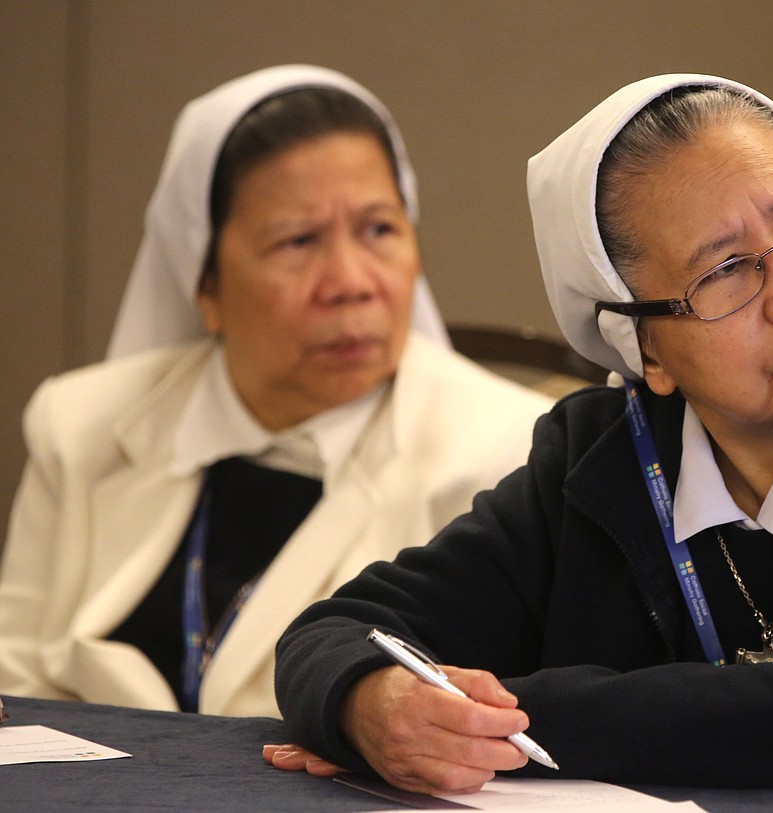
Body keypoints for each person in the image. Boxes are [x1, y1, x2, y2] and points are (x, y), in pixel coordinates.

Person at [268, 74, 773, 798]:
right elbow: (340, 629)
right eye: (726, 270)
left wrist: (494, 719)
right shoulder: (599, 456)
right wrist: (369, 701)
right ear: (647, 349)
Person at [0, 65, 551, 717]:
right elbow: (16, 682)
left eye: (378, 229)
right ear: (203, 283)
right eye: (298, 241)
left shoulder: (503, 456)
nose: (350, 281)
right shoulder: (83, 423)